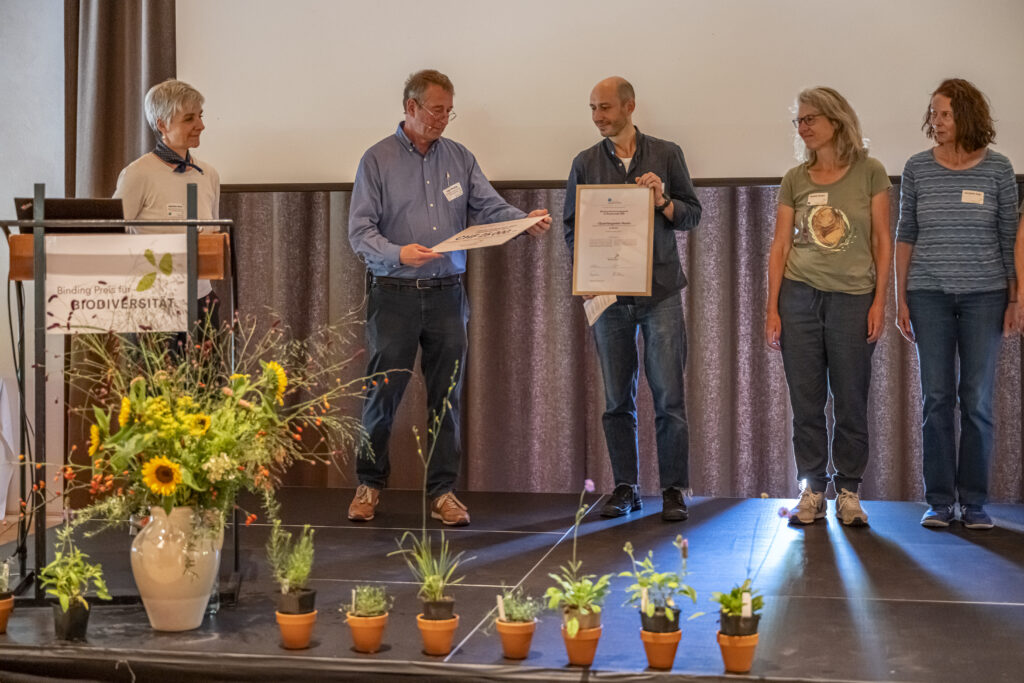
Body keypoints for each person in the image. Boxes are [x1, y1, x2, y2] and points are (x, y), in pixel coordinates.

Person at [347, 69, 551, 526]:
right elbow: (359, 231)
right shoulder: (376, 160)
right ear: (411, 107)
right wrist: (398, 252)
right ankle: (369, 484)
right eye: (436, 110)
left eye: (448, 110)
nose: (443, 119)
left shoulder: (460, 158)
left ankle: (443, 493)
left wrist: (524, 220)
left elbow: (489, 207)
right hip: (394, 294)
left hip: (447, 296)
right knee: (382, 395)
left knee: (447, 397)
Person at [564, 77, 702, 522]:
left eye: (605, 108)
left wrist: (663, 202)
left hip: (659, 291)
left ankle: (674, 490)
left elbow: (691, 215)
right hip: (608, 296)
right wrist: (585, 269)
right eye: (591, 109)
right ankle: (626, 487)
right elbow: (572, 228)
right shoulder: (585, 163)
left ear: (629, 107)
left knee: (669, 397)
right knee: (615, 399)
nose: (598, 117)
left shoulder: (666, 153)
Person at [895, 78, 1019, 530]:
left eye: (944, 113)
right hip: (927, 296)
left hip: (986, 297)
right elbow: (905, 234)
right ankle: (940, 501)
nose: (936, 121)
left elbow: (1009, 238)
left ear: (967, 115)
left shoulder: (999, 169)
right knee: (937, 399)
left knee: (977, 401)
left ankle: (975, 503)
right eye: (933, 113)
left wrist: (1013, 297)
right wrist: (900, 297)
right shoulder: (917, 168)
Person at [765, 87, 891, 527]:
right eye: (798, 120)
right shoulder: (794, 178)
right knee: (806, 401)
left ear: (836, 121)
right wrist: (772, 309)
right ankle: (813, 490)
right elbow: (780, 246)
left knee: (851, 398)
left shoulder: (870, 172)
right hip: (798, 296)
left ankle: (849, 490)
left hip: (854, 298)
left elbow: (881, 240)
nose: (802, 127)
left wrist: (880, 301)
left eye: (809, 119)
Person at [114, 78, 221, 330]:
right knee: (158, 372)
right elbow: (113, 236)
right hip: (154, 302)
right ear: (162, 124)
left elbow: (212, 236)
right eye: (189, 119)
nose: (201, 125)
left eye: (200, 116)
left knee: (207, 372)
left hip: (202, 300)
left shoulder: (209, 174)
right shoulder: (137, 174)